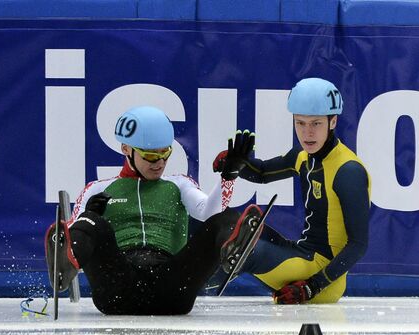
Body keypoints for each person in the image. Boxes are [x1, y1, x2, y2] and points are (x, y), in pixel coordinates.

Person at [45, 105, 262, 315]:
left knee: (226, 217)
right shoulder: (97, 189)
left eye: (165, 153)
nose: (159, 162)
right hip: (118, 287)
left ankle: (234, 252)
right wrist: (89, 217)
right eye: (150, 155)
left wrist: (229, 177)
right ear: (126, 149)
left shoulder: (179, 184)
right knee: (90, 223)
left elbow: (208, 213)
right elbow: (75, 229)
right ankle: (65, 266)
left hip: (171, 286)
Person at [213, 77, 371, 304]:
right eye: (300, 123)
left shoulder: (348, 171)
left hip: (323, 278)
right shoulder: (303, 157)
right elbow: (263, 172)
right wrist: (238, 165)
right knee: (228, 229)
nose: (307, 133)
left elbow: (358, 245)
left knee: (241, 253)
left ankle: (190, 291)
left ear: (333, 122)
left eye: (316, 123)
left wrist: (311, 286)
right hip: (303, 253)